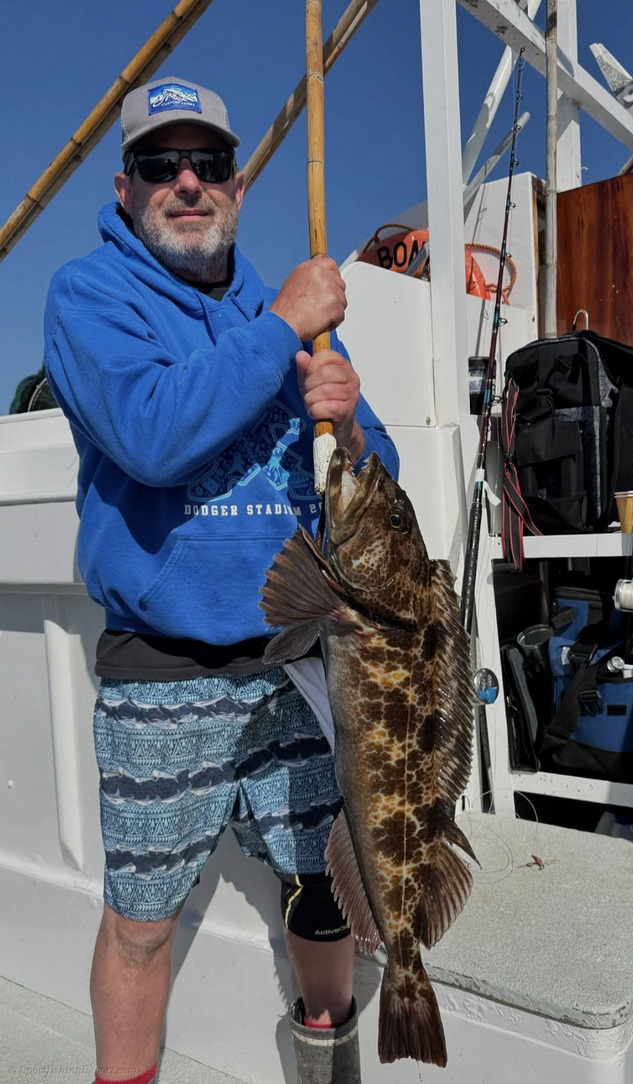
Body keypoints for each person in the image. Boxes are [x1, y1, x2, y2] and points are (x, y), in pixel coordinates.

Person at [43, 77, 398, 1084]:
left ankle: (328, 1064)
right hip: (164, 668)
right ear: (125, 188)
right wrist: (283, 325)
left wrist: (352, 427)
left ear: (239, 185)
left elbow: (380, 485)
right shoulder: (90, 296)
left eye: (209, 163)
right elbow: (152, 436)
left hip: (301, 660)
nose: (188, 182)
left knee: (322, 888)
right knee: (141, 920)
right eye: (161, 164)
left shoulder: (289, 316)